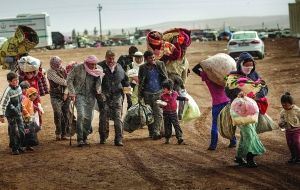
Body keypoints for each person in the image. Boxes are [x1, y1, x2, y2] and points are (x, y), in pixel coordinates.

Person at [225, 52, 267, 168]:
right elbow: (228, 91)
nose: (249, 67)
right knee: (249, 134)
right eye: (246, 65)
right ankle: (250, 158)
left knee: (246, 135)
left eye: (251, 65)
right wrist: (238, 93)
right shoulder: (233, 76)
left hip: (253, 110)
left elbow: (264, 88)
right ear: (240, 65)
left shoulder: (255, 75)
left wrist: (257, 95)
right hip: (239, 111)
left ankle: (239, 157)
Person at [192, 63, 237, 150]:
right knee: (229, 122)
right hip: (228, 101)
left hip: (217, 103)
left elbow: (195, 69)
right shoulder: (223, 75)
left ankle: (213, 145)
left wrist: (203, 63)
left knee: (215, 124)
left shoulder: (207, 76)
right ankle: (233, 141)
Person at [67, 55, 103, 147]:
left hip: (91, 96)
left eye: (95, 64)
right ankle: (80, 139)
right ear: (86, 63)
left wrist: (98, 89)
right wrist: (72, 92)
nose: (93, 66)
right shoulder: (78, 68)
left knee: (89, 118)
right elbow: (69, 79)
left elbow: (99, 81)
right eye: (91, 64)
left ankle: (84, 136)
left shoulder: (98, 69)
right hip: (79, 95)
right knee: (81, 115)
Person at [97, 50, 130, 146]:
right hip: (104, 96)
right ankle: (103, 137)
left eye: (113, 58)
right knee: (103, 117)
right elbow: (95, 83)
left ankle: (119, 139)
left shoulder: (119, 67)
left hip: (117, 95)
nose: (111, 60)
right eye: (109, 58)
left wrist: (129, 97)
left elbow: (126, 82)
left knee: (118, 117)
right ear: (106, 57)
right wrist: (99, 94)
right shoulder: (99, 67)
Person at [138, 50, 168, 140]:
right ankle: (151, 132)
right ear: (146, 59)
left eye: (153, 57)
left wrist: (166, 90)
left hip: (159, 93)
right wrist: (140, 96)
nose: (153, 59)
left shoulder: (160, 64)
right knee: (149, 114)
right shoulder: (142, 68)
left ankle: (156, 131)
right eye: (151, 58)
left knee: (158, 113)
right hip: (147, 94)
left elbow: (165, 78)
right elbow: (140, 82)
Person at [0, 72, 25, 155]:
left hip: (18, 113)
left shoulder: (19, 88)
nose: (16, 81)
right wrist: (1, 115)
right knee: (14, 131)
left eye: (17, 79)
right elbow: (3, 103)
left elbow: (21, 100)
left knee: (21, 130)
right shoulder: (8, 91)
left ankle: (20, 145)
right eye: (14, 80)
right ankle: (15, 148)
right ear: (9, 81)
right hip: (11, 115)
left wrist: (22, 108)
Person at [47, 56, 69, 140]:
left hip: (65, 95)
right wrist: (70, 83)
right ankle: (58, 132)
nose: (57, 65)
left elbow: (67, 80)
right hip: (55, 96)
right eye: (56, 64)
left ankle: (64, 133)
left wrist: (66, 92)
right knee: (58, 113)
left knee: (66, 114)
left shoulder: (63, 69)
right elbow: (61, 81)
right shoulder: (50, 72)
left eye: (58, 64)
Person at [160, 79, 187, 145]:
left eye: (164, 88)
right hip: (166, 113)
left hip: (174, 113)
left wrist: (184, 98)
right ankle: (167, 138)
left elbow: (178, 98)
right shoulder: (162, 96)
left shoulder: (175, 93)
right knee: (167, 126)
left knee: (176, 125)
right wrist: (161, 105)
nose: (163, 90)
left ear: (169, 89)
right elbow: (160, 104)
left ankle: (180, 138)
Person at [279, 92, 300, 164]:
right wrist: (281, 124)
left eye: (285, 103)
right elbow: (281, 120)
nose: (283, 105)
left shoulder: (297, 110)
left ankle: (298, 157)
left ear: (290, 103)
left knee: (296, 142)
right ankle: (293, 156)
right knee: (290, 143)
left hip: (297, 130)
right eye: (282, 104)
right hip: (288, 130)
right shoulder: (282, 112)